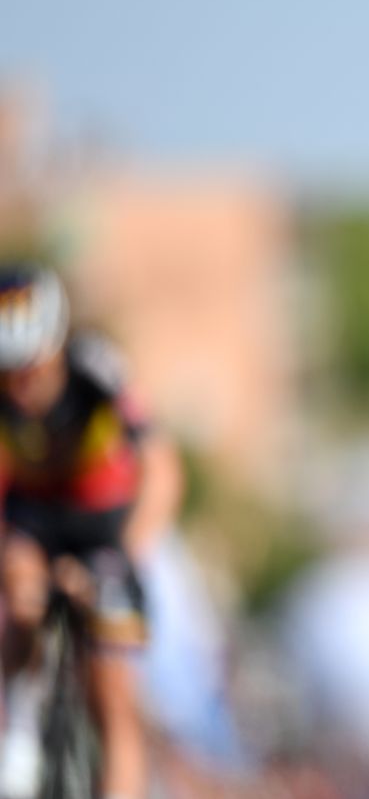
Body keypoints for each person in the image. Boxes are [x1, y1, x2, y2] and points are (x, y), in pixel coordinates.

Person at [0, 264, 182, 799]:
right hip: (35, 513)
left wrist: (130, 550)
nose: (20, 386)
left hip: (106, 525)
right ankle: (20, 712)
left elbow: (163, 468)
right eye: (8, 371)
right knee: (20, 584)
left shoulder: (95, 369)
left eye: (30, 367)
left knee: (113, 700)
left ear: (55, 346)